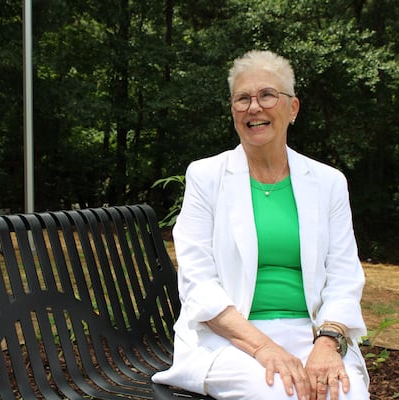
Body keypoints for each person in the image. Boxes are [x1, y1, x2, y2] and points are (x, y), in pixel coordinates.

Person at [152, 50, 370, 400]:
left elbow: (345, 276)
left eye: (267, 95)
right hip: (229, 338)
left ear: (293, 108)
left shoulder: (328, 182)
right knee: (279, 392)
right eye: (243, 98)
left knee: (343, 395)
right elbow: (198, 283)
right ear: (233, 110)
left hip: (313, 334)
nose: (254, 107)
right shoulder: (206, 176)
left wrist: (328, 344)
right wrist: (265, 348)